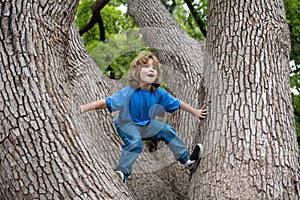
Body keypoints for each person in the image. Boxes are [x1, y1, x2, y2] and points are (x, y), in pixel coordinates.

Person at [79, 51, 207, 183]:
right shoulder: (129, 92)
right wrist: (84, 108)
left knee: (167, 130)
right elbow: (105, 102)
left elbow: (177, 103)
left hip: (146, 124)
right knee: (135, 143)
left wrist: (195, 112)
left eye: (154, 68)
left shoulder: (159, 93)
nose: (151, 70)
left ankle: (187, 160)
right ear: (137, 72)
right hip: (126, 124)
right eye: (146, 67)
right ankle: (122, 172)